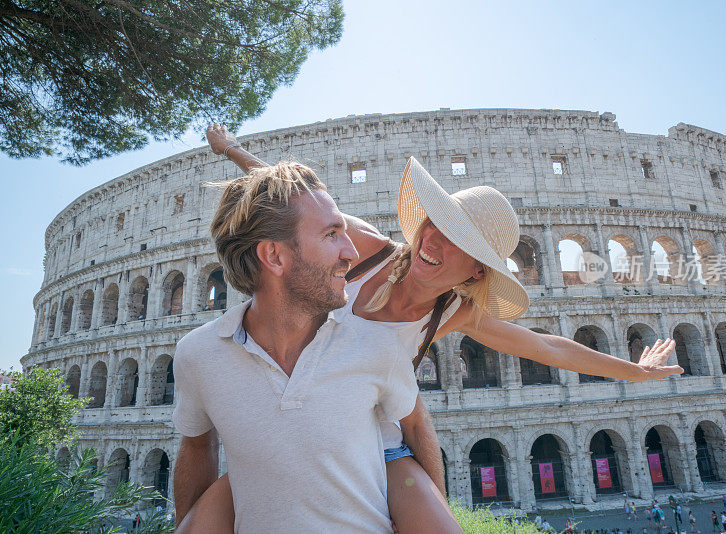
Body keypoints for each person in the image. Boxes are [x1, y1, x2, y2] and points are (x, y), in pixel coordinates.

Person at [186, 124, 682, 532]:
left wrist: (633, 371)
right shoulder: (365, 248)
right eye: (435, 221)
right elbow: (294, 207)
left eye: (457, 239)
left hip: (374, 439)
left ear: (476, 272)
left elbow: (548, 347)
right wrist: (231, 150)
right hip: (286, 423)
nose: (433, 239)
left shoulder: (454, 313)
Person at [171, 161, 455, 533]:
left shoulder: (376, 344)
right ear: (274, 256)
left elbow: (417, 427)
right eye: (332, 234)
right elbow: (196, 448)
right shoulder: (198, 355)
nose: (351, 252)